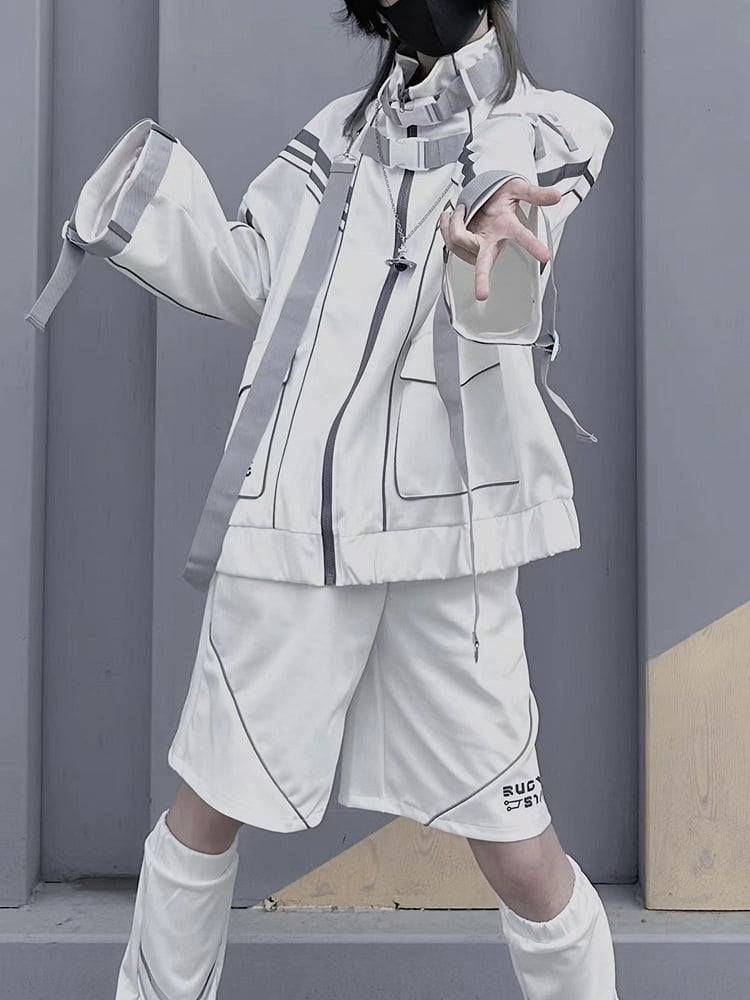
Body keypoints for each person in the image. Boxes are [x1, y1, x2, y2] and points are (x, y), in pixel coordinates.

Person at [25, 1, 619, 997]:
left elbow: (510, 183)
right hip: (294, 523)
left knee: (521, 853)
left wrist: (486, 209)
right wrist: (147, 202)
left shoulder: (547, 122)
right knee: (205, 812)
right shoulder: (334, 137)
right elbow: (254, 273)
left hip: (446, 540)